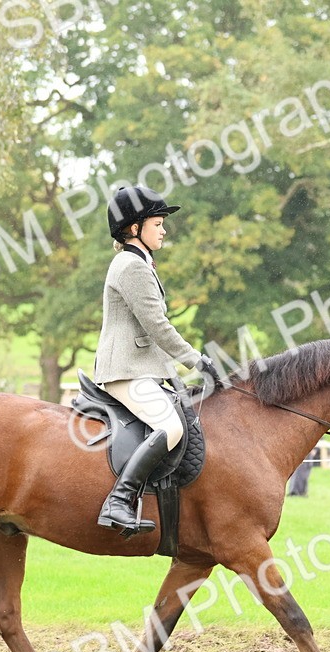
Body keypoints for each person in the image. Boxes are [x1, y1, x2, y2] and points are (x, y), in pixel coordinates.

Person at [93, 185, 222, 536]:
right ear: (134, 228)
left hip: (142, 369)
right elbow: (157, 325)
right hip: (125, 371)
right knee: (171, 427)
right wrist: (197, 361)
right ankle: (118, 501)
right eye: (158, 222)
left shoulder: (139, 262)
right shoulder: (130, 266)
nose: (164, 229)